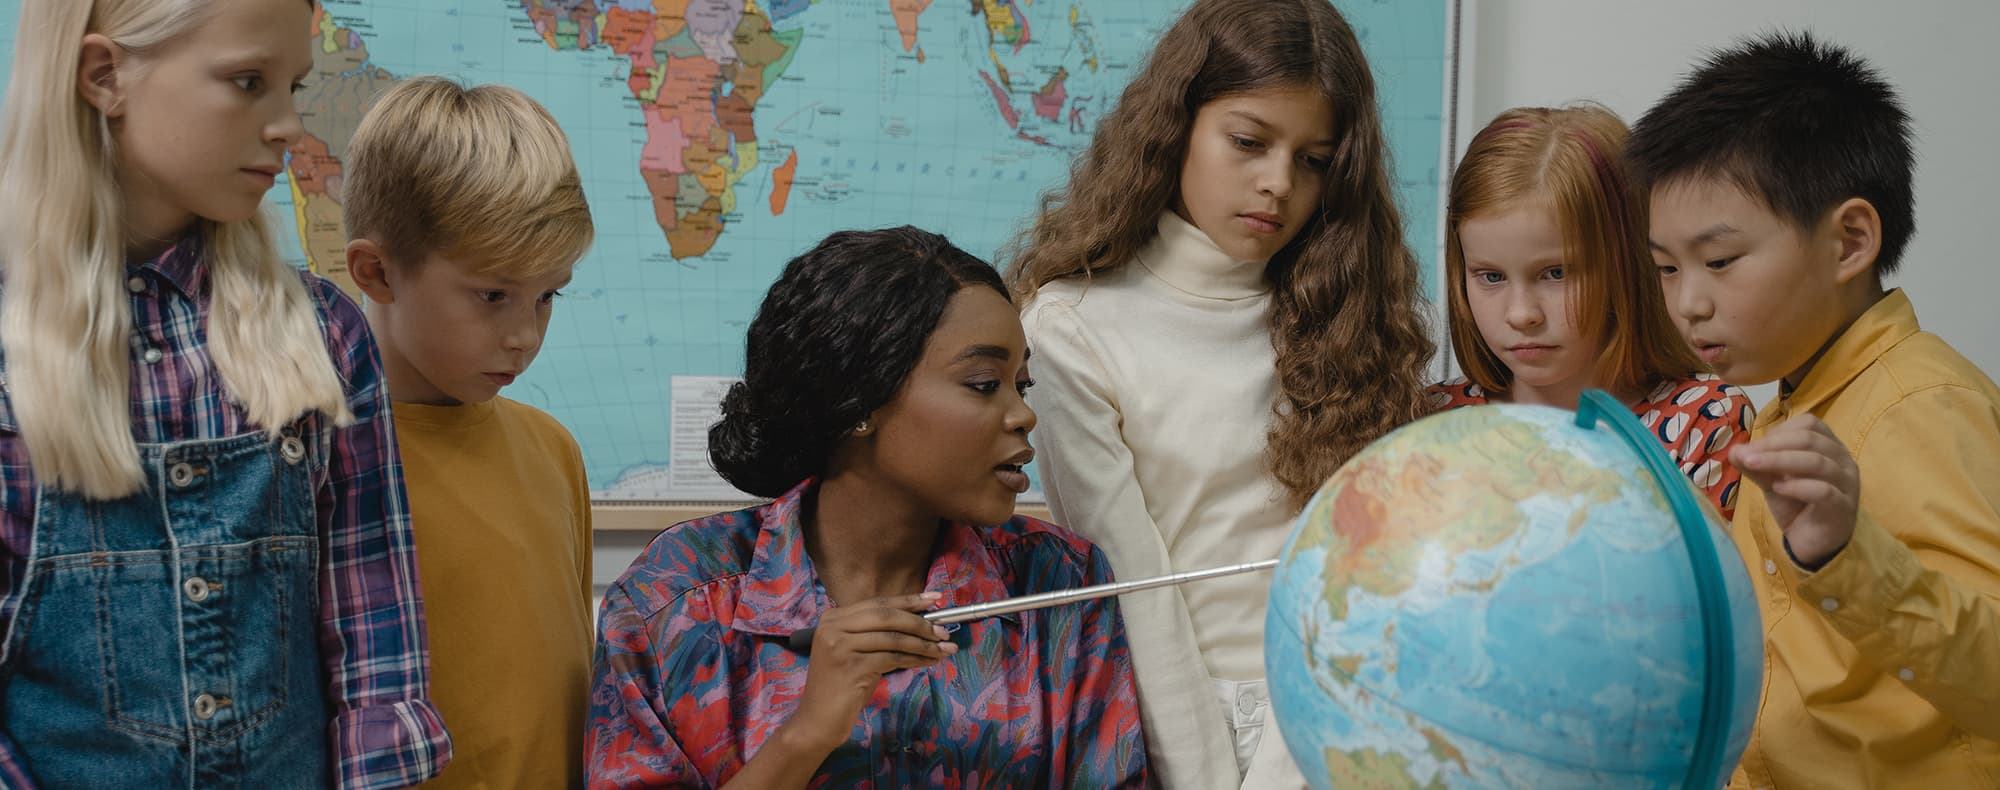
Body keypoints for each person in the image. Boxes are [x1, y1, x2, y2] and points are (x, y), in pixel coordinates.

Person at [0, 0, 450, 786]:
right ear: (105, 76)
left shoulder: (326, 337)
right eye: (248, 82)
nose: (287, 127)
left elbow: (379, 653)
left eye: (294, 88)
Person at [1004, 0, 1434, 784]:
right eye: (1248, 141)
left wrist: (1294, 752)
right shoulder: (1071, 326)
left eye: (1314, 160)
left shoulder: (1352, 318)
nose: (1277, 183)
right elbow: (1134, 585)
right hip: (1168, 723)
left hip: (1340, 715)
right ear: (1176, 126)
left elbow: (1351, 576)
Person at [586, 227, 1147, 788]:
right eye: (982, 383)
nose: (1022, 415)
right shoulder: (672, 600)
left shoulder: (1061, 585)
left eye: (1019, 385)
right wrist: (807, 734)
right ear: (859, 402)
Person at [1631, 31, 2000, 786]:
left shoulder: (1920, 404)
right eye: (1666, 268)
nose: (1687, 303)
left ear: (1850, 241)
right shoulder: (1791, 405)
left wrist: (1846, 556)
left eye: (1720, 261)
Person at [342, 76, 596, 789]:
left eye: (548, 296)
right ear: (377, 272)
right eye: (492, 295)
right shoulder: (316, 464)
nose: (524, 336)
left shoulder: (553, 451)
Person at [1429, 105, 1752, 517]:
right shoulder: (1430, 420)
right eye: (1490, 277)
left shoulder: (1704, 421)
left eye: (1555, 273)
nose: (1522, 314)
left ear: (1627, 266)